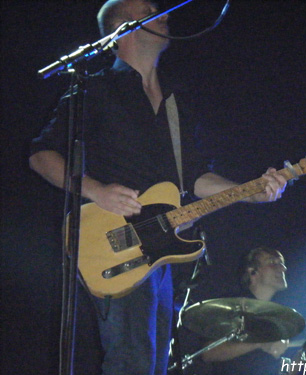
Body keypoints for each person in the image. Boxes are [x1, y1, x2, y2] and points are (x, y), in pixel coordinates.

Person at [29, 1, 287, 374]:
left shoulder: (174, 100)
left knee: (153, 364)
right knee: (132, 360)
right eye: (150, 9)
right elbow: (40, 155)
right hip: (114, 245)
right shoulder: (95, 90)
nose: (164, 13)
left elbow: (195, 178)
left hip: (159, 254)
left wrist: (250, 191)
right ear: (124, 27)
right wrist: (96, 190)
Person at [201, 246, 291, 375]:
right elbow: (208, 353)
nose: (283, 268)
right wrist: (260, 342)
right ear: (252, 272)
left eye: (282, 263)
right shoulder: (230, 306)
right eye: (273, 262)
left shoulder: (281, 314)